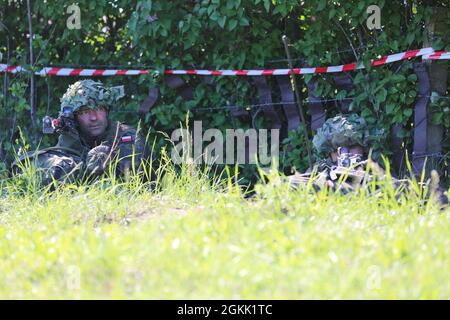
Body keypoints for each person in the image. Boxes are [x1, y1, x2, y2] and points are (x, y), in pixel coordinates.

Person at [12, 80, 148, 187]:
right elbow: (54, 172)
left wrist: (104, 159)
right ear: (74, 117)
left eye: (99, 109)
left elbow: (132, 177)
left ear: (107, 111)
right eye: (84, 112)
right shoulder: (70, 138)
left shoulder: (125, 136)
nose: (94, 117)